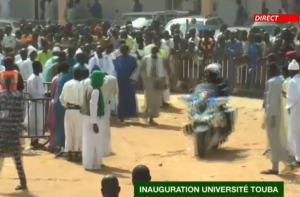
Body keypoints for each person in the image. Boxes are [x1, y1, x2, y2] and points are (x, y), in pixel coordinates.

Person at [261, 62, 291, 174]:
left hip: (273, 114)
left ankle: (275, 167)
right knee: (278, 139)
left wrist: (272, 116)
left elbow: (271, 101)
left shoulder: (272, 82)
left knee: (273, 141)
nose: (268, 72)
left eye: (269, 69)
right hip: (279, 113)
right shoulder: (280, 81)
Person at [0, 76, 27, 190]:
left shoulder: (1, 96)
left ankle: (23, 181)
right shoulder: (18, 96)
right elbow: (21, 113)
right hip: (12, 129)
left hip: (4, 129)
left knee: (9, 157)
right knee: (16, 157)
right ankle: (23, 181)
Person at [131, 46, 166, 125]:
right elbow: (140, 68)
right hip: (148, 81)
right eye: (153, 51)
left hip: (158, 80)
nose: (154, 52)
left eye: (155, 51)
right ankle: (149, 117)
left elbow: (163, 71)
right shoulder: (146, 58)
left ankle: (152, 116)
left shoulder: (160, 59)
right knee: (149, 98)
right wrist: (135, 79)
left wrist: (164, 82)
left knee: (156, 100)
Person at [81, 71, 105, 170]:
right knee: (96, 142)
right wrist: (94, 122)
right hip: (94, 118)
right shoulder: (96, 90)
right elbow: (93, 106)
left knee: (87, 141)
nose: (103, 81)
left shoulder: (88, 87)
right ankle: (95, 164)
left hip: (86, 117)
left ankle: (88, 163)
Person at [59, 68, 83, 161]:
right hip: (77, 110)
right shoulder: (80, 85)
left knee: (68, 131)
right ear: (80, 76)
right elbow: (81, 100)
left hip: (68, 110)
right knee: (77, 132)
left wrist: (66, 105)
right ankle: (77, 152)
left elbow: (61, 98)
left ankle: (68, 152)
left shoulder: (67, 84)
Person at [24, 61, 45, 147]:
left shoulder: (38, 77)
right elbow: (33, 92)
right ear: (36, 67)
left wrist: (45, 94)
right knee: (34, 122)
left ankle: (36, 139)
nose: (41, 68)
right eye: (40, 66)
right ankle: (34, 140)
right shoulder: (32, 78)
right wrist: (43, 95)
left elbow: (40, 90)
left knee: (39, 122)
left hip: (39, 102)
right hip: (35, 103)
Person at [114, 45, 137, 122]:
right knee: (121, 98)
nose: (123, 51)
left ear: (127, 50)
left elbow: (135, 70)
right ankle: (121, 116)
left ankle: (130, 114)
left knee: (130, 97)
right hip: (120, 80)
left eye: (125, 49)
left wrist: (134, 79)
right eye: (122, 49)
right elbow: (115, 69)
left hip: (130, 80)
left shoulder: (132, 59)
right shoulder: (118, 58)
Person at [54, 62, 71, 153]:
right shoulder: (67, 76)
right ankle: (62, 144)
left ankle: (58, 144)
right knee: (64, 124)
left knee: (59, 123)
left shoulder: (59, 75)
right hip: (62, 103)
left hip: (57, 102)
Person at [286, 59, 300, 167]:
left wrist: (285, 95)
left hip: (296, 110)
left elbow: (293, 97)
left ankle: (298, 158)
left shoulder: (292, 82)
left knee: (295, 134)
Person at [46, 64, 62, 152]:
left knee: (52, 125)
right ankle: (57, 144)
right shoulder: (63, 78)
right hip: (60, 103)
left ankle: (52, 144)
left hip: (53, 102)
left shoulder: (55, 78)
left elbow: (52, 92)